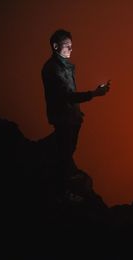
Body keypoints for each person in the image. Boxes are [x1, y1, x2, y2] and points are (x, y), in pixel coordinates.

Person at [41, 29, 111, 200]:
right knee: (64, 155)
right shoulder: (52, 69)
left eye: (72, 46)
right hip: (63, 119)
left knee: (67, 152)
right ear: (55, 46)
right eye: (67, 46)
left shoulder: (64, 66)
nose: (71, 49)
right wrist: (93, 94)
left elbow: (69, 95)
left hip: (71, 118)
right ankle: (62, 194)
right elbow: (66, 96)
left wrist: (77, 112)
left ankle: (63, 191)